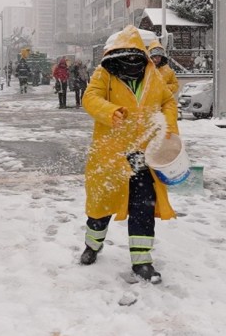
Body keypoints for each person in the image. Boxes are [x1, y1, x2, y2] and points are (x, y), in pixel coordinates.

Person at [79, 25, 179, 284]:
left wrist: (166, 123)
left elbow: (168, 100)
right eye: (125, 57)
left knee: (143, 207)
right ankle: (93, 245)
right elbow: (89, 98)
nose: (130, 63)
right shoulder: (104, 74)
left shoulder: (153, 76)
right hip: (111, 155)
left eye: (135, 57)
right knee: (101, 207)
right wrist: (109, 111)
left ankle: (142, 260)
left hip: (144, 155)